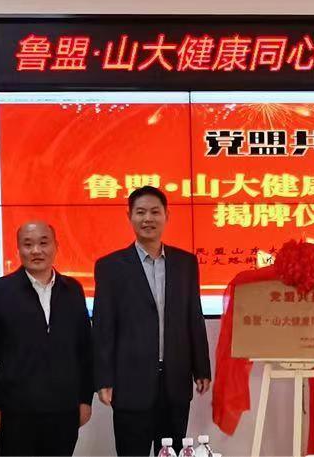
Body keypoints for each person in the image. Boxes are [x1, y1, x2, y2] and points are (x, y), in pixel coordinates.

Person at [92, 186, 211, 456]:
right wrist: (104, 378)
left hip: (175, 380)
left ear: (167, 216)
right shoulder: (110, 266)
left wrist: (202, 368)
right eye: (141, 212)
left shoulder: (186, 263)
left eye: (155, 212)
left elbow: (194, 316)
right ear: (130, 216)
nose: (148, 218)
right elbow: (103, 327)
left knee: (173, 451)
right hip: (130, 382)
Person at [0, 221, 92, 456]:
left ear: (56, 246)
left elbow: (85, 351)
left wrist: (85, 399)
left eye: (43, 243)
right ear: (18, 249)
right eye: (28, 244)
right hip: (16, 412)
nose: (36, 250)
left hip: (64, 411)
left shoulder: (73, 290)